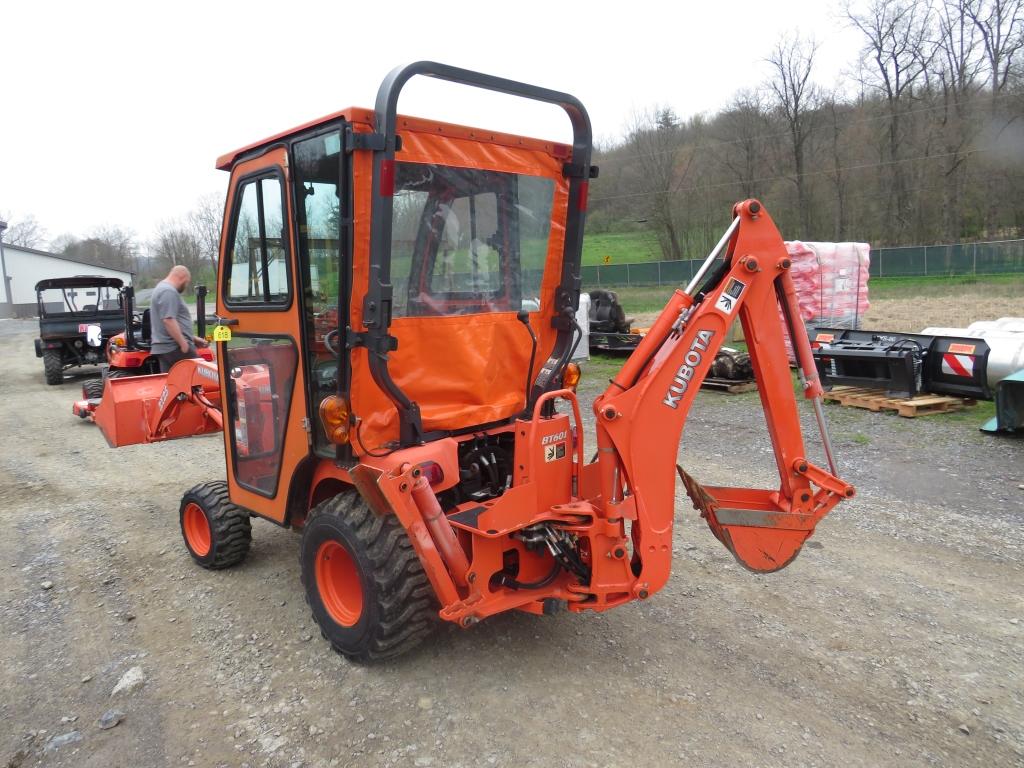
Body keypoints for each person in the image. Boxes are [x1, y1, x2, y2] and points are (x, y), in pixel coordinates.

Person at [150, 265, 209, 372]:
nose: (186, 285)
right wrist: (183, 343)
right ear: (182, 277)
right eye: (187, 282)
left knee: (173, 384)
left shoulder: (162, 289)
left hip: (168, 348)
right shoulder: (168, 291)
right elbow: (168, 320)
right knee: (202, 376)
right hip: (174, 347)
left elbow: (175, 322)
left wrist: (193, 338)